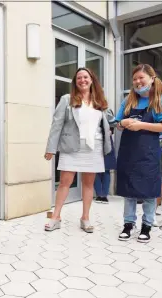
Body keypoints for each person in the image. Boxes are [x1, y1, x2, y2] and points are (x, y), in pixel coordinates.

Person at [44, 67, 112, 233]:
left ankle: (85, 217)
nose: (82, 80)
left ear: (91, 80)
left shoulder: (100, 101)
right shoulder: (67, 99)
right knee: (65, 183)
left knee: (88, 184)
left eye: (85, 77)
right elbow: (56, 125)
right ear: (75, 82)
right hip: (71, 147)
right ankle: (56, 217)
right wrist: (51, 148)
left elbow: (110, 121)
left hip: (94, 147)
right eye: (79, 78)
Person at [116, 64, 162, 243]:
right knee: (129, 191)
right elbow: (117, 123)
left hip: (148, 153)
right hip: (128, 151)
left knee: (148, 191)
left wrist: (141, 125)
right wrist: (123, 122)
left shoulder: (161, 99)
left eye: (141, 78)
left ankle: (146, 225)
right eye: (135, 79)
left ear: (151, 78)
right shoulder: (128, 100)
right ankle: (128, 224)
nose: (138, 82)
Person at [94, 109, 117, 204]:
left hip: (106, 141)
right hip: (94, 141)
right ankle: (99, 194)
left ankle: (103, 195)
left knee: (106, 169)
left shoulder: (107, 110)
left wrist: (110, 131)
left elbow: (114, 123)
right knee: (96, 169)